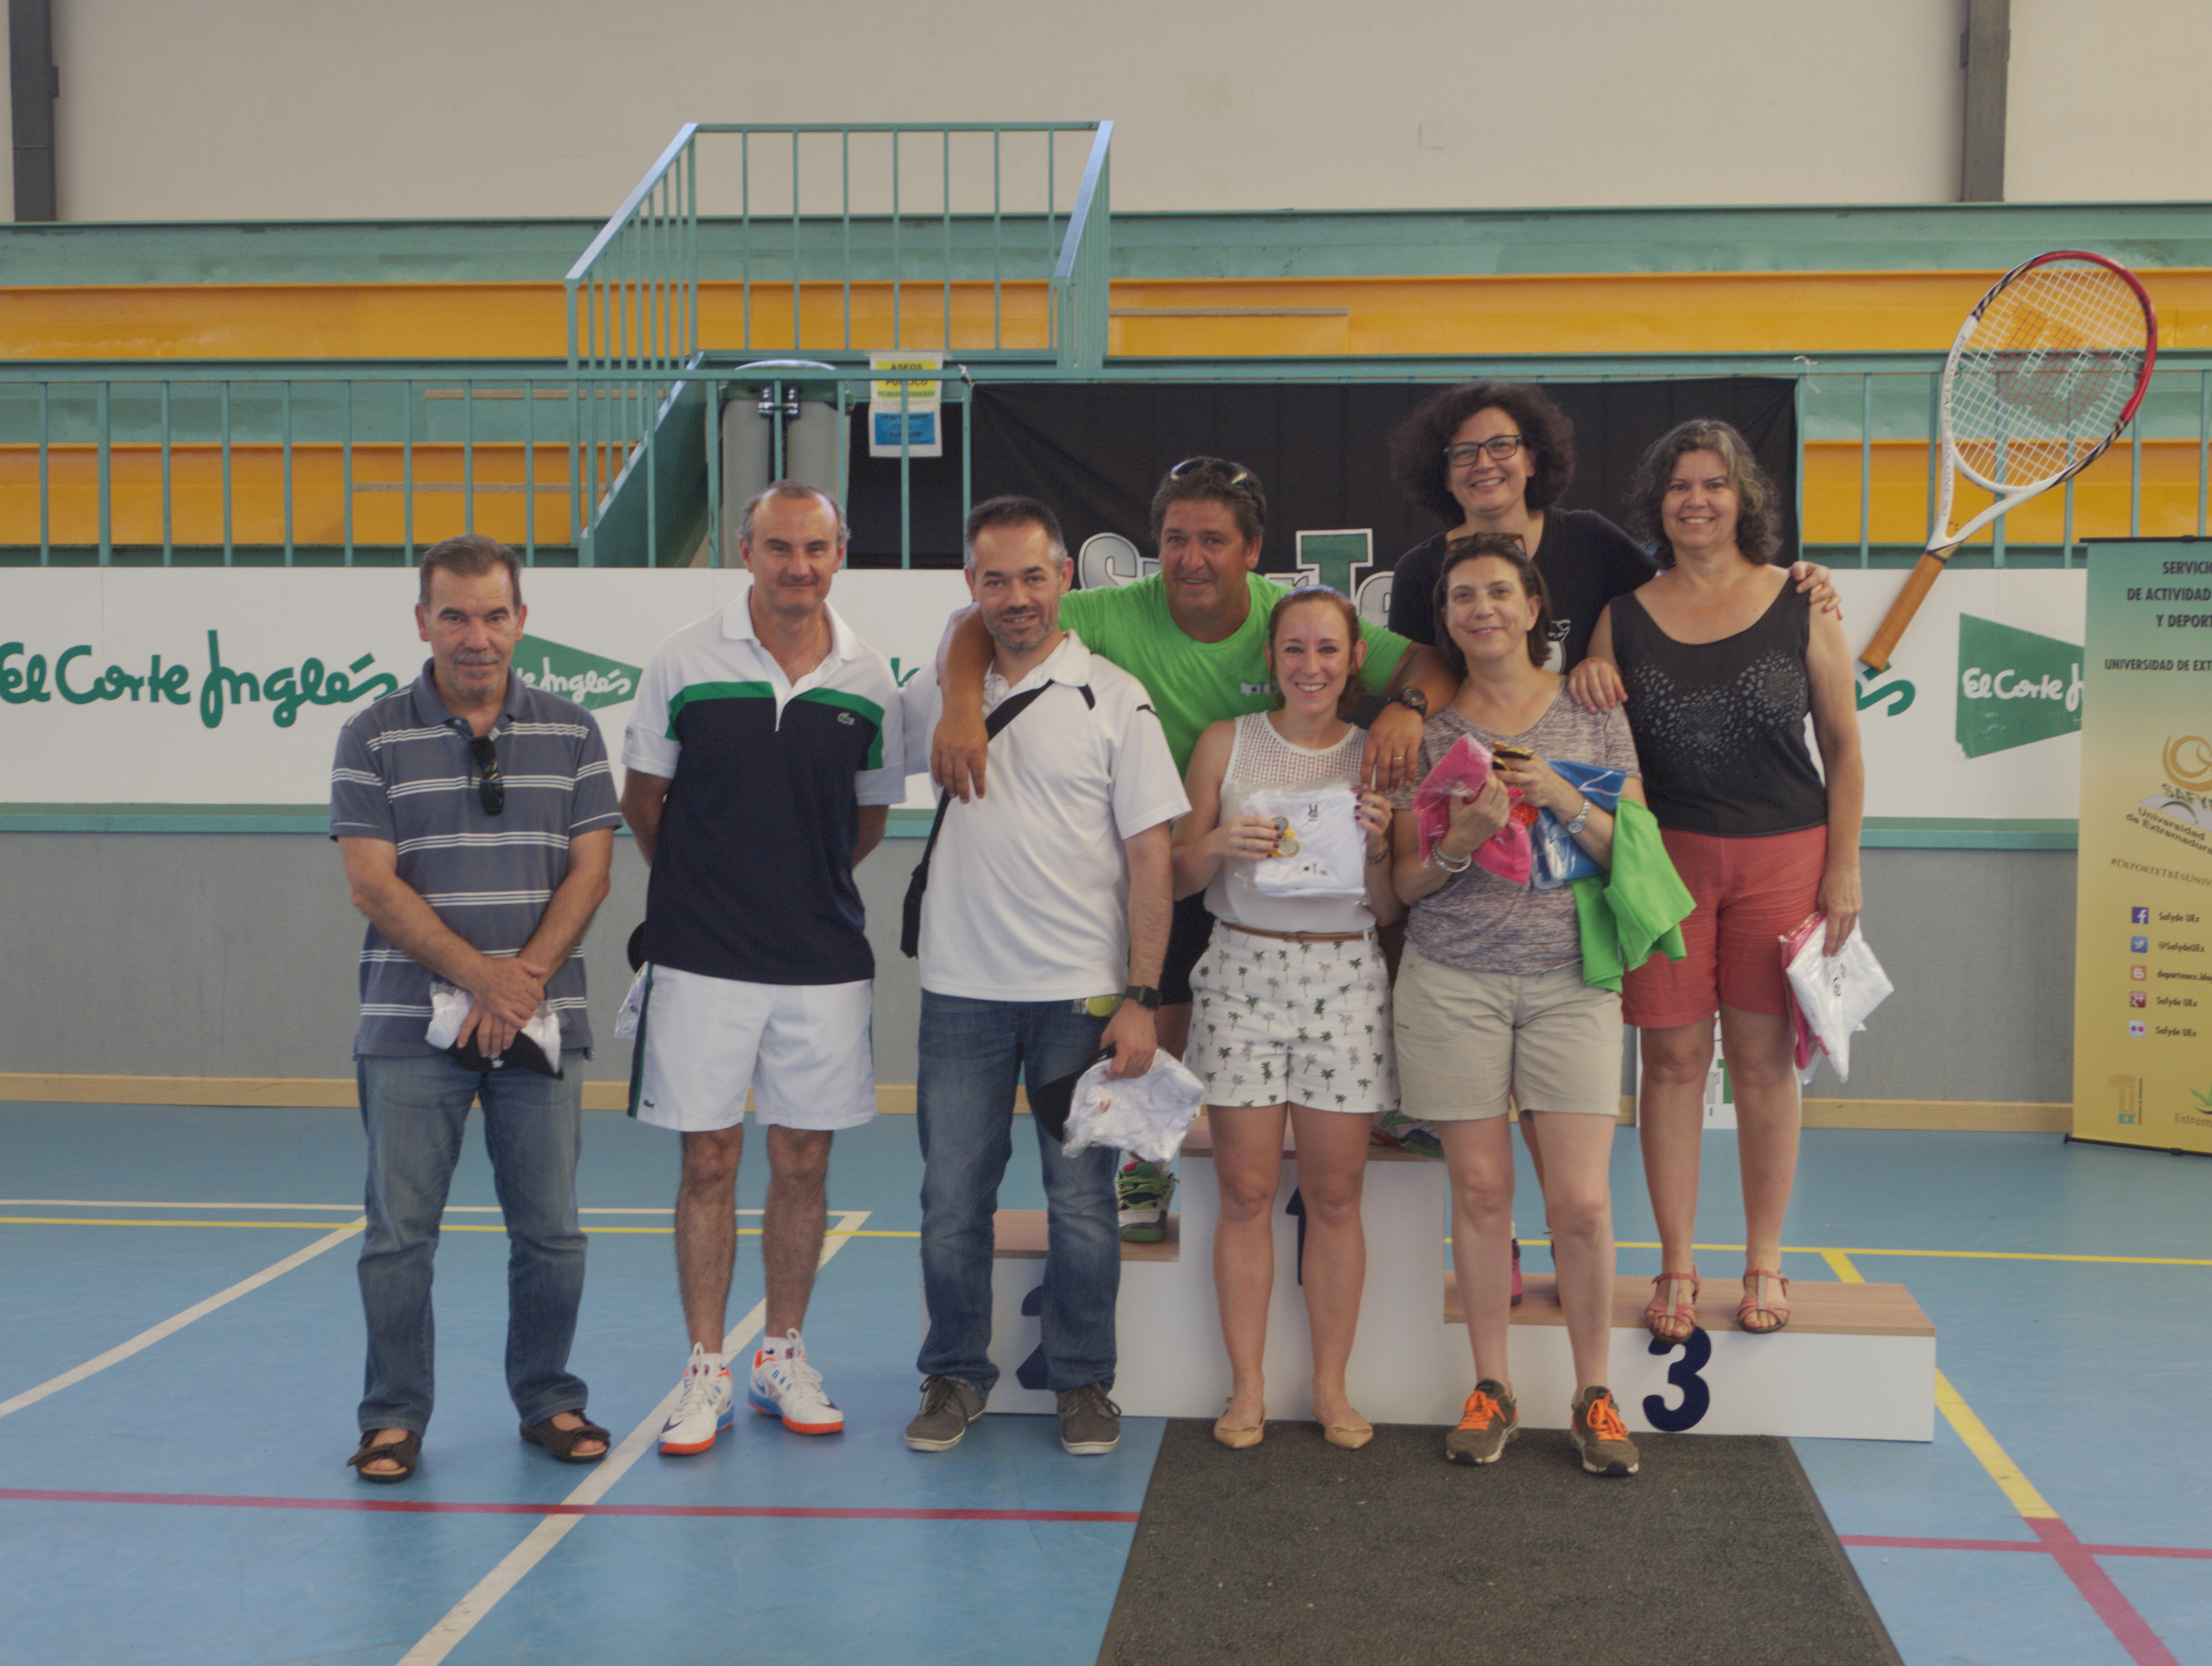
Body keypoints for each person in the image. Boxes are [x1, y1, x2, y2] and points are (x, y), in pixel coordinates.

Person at [930, 458, 1457, 1241]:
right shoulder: (1115, 611)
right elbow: (975, 620)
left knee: (1388, 913)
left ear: (1253, 551)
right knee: (1159, 993)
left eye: (1214, 540)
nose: (1191, 558)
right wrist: (960, 708)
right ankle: (1143, 1166)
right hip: (1173, 849)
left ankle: (1387, 1104)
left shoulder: (1291, 619)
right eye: (1176, 539)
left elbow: (1428, 665)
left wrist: (1406, 709)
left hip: (1285, 869)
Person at [619, 481, 905, 1453]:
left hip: (822, 960)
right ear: (745, 553)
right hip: (700, 957)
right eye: (779, 548)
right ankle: (706, 1365)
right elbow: (644, 800)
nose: (798, 567)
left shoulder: (870, 679)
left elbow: (866, 820)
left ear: (840, 555)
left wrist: (796, 885)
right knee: (708, 1158)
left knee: (803, 1159)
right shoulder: (682, 661)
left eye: (816, 549)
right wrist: (705, 887)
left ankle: (782, 1352)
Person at [899, 496, 1186, 1457]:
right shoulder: (940, 692)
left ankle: (1083, 1381)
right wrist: (956, 696)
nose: (1016, 597)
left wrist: (1141, 997)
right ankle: (954, 1373)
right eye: (995, 580)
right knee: (951, 1201)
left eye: (1033, 576)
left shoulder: (1115, 697)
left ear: (1065, 576)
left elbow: (1151, 858)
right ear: (970, 586)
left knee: (1082, 1205)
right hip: (960, 996)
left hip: (1081, 1000)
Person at [330, 534, 619, 1484]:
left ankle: (549, 1398)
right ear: (423, 622)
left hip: (541, 1023)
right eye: (454, 616)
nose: (475, 636)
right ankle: (392, 1417)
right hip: (408, 1031)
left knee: (552, 1234)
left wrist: (518, 981)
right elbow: (372, 884)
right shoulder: (371, 736)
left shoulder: (575, 732)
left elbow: (591, 872)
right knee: (397, 1239)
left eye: (494, 615)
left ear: (521, 620)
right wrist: (480, 980)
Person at [1579, 420, 1864, 1341]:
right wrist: (1587, 674)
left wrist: (1844, 870)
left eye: (1715, 484)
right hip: (1664, 866)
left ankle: (1765, 1260)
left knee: (1762, 1066)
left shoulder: (1802, 601)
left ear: (1746, 500)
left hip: (1787, 860)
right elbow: (1597, 738)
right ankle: (1675, 1265)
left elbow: (1844, 747)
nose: (1696, 501)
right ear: (1656, 504)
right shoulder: (1621, 618)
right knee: (1668, 1066)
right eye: (1679, 487)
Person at [1388, 536, 1647, 1477]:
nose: (1482, 609)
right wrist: (1460, 840)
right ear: (1446, 619)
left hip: (1571, 984)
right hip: (1452, 981)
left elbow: (1635, 850)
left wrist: (1564, 800)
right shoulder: (1425, 733)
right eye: (1463, 597)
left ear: (1534, 607)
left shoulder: (1592, 708)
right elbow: (1406, 886)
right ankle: (1491, 1386)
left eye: (1500, 592)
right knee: (1482, 1194)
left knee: (1581, 1203)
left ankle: (1595, 1393)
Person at [1171, 585, 1402, 1451]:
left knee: (1336, 1195)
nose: (1311, 666)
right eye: (1295, 648)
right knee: (1245, 1194)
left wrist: (1378, 846)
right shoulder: (1224, 743)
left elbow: (1389, 907)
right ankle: (1248, 1388)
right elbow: (1176, 875)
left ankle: (1332, 1388)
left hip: (1345, 978)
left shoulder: (1378, 756)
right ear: (1270, 658)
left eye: (1328, 649)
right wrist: (1216, 845)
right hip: (1242, 970)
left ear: (1355, 661)